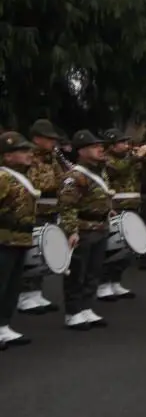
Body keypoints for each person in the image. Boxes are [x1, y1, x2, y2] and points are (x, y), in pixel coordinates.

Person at [56, 130, 115, 331]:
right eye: (94, 146)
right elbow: (67, 206)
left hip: (100, 227)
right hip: (83, 228)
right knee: (77, 272)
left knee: (94, 271)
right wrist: (71, 230)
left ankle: (86, 307)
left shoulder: (100, 171)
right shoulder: (74, 176)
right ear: (81, 151)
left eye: (100, 146)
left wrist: (107, 210)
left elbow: (100, 196)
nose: (100, 149)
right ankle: (73, 312)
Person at [16, 119, 66, 315]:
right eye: (49, 138)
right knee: (30, 253)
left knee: (42, 252)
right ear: (37, 139)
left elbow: (62, 179)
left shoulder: (52, 158)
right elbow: (36, 183)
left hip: (50, 210)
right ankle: (24, 295)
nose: (53, 142)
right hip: (33, 211)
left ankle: (36, 293)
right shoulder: (28, 156)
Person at [0, 131, 41, 348]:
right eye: (22, 151)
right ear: (7, 156)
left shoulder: (22, 177)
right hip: (4, 240)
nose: (29, 154)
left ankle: (3, 326)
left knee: (12, 287)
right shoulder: (3, 178)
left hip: (20, 240)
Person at [99, 129, 146, 301]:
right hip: (116, 207)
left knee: (126, 249)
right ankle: (103, 283)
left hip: (132, 207)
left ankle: (116, 280)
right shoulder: (105, 160)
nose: (127, 145)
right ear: (112, 146)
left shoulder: (130, 159)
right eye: (122, 143)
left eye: (127, 142)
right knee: (111, 247)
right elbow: (117, 170)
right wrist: (136, 157)